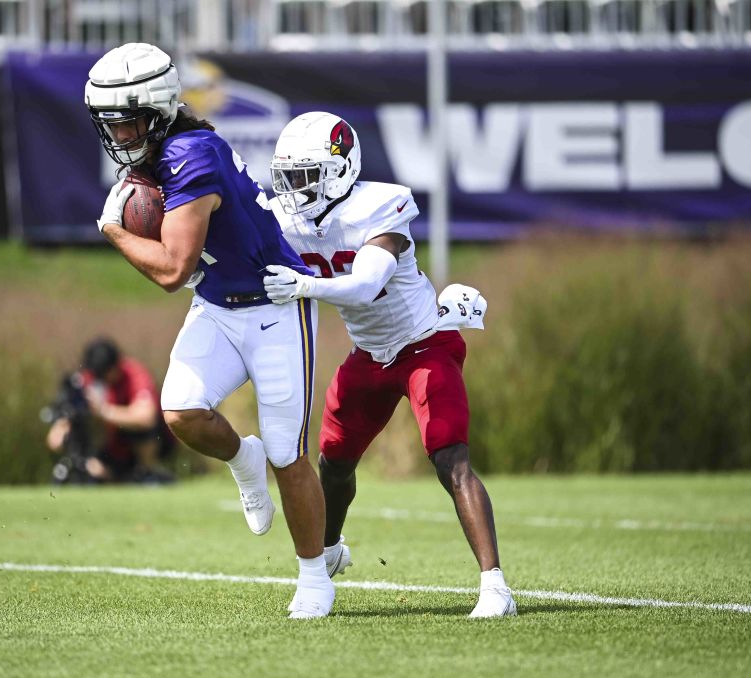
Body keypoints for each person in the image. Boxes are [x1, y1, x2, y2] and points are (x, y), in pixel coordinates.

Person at [85, 43, 334, 619]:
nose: (117, 135)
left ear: (156, 111)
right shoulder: (157, 158)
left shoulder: (192, 153)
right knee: (180, 411)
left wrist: (114, 230)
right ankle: (242, 461)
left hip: (276, 303)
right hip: (219, 303)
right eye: (110, 124)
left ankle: (315, 576)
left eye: (124, 121)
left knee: (287, 452)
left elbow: (173, 268)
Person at [263, 112, 517, 618]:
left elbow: (366, 284)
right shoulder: (291, 218)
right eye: (287, 177)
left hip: (426, 343)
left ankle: (495, 586)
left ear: (339, 169)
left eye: (304, 176)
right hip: (370, 354)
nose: (294, 190)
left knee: (450, 458)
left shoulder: (380, 206)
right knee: (333, 463)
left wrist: (305, 286)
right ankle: (330, 549)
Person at [43, 338, 175, 485]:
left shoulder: (133, 373)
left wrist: (104, 411)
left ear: (116, 366)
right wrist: (61, 426)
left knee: (141, 429)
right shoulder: (88, 377)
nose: (100, 380)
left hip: (142, 443)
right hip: (107, 447)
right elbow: (71, 411)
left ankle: (146, 472)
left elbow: (146, 418)